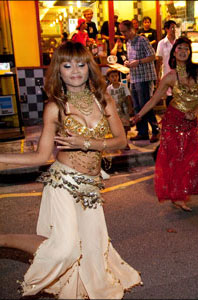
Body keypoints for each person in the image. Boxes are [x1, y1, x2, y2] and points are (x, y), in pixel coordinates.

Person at [0, 42, 141, 298]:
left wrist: (86, 143)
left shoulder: (103, 99)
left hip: (91, 188)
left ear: (89, 67)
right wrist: (3, 158)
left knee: (87, 250)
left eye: (81, 64)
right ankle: (3, 238)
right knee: (64, 249)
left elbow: (121, 140)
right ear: (59, 71)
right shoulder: (55, 107)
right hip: (62, 183)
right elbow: (41, 155)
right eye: (67, 65)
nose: (75, 70)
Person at [131, 37, 198, 212]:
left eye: (186, 48)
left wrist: (195, 113)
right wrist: (138, 116)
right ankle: (178, 196)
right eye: (179, 48)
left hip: (191, 122)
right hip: (173, 121)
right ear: (174, 53)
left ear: (190, 52)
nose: (183, 51)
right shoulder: (170, 76)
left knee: (193, 158)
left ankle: (181, 192)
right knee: (177, 158)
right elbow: (154, 99)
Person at [119, 20, 160, 142]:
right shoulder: (129, 42)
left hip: (144, 78)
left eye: (125, 31)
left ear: (132, 29)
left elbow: (153, 56)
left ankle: (156, 130)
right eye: (121, 32)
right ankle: (142, 132)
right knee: (137, 106)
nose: (123, 34)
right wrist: (128, 62)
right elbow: (132, 59)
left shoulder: (142, 40)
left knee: (145, 106)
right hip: (134, 77)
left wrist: (139, 62)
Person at [106, 68, 134, 144]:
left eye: (116, 76)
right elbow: (107, 100)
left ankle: (125, 141)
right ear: (108, 78)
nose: (114, 78)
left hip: (124, 110)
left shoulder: (123, 86)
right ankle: (119, 141)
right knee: (117, 126)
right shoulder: (108, 89)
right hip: (114, 111)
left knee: (125, 126)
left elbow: (128, 97)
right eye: (112, 76)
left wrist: (130, 108)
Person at [156, 20, 177, 106]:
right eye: (172, 28)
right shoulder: (162, 43)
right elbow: (159, 60)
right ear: (166, 29)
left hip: (178, 74)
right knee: (168, 97)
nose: (174, 30)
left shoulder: (178, 42)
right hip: (167, 73)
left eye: (175, 28)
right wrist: (158, 75)